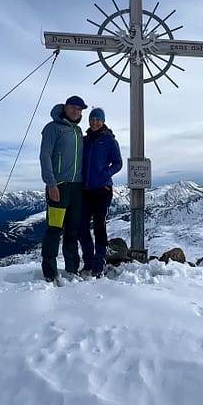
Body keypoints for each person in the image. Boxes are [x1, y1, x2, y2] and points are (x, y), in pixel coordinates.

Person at [39, 95, 88, 283]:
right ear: (65, 108)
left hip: (77, 188)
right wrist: (51, 183)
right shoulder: (52, 128)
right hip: (59, 187)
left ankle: (72, 269)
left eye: (80, 109)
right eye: (73, 108)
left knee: (72, 230)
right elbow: (45, 155)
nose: (76, 111)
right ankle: (50, 272)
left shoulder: (78, 131)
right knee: (54, 228)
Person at [79, 107, 122, 277]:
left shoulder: (109, 140)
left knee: (99, 225)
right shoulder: (84, 140)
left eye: (98, 119)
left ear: (103, 121)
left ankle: (99, 262)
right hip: (85, 189)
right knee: (81, 227)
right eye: (92, 119)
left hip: (103, 189)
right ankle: (88, 260)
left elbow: (118, 163)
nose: (94, 122)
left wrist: (106, 173)